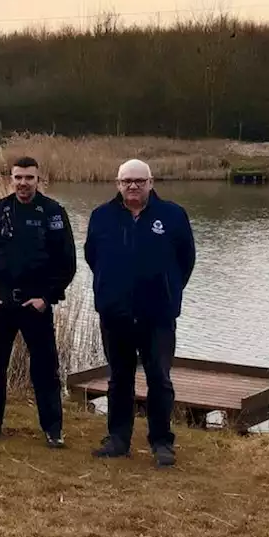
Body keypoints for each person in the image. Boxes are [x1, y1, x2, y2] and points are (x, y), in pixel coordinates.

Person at [85, 159, 195, 467]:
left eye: (139, 181)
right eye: (127, 181)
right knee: (119, 379)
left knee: (159, 379)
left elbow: (186, 260)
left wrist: (167, 289)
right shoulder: (101, 216)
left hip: (157, 315)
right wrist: (113, 289)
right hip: (115, 314)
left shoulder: (173, 215)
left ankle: (162, 442)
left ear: (151, 182)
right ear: (117, 184)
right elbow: (93, 257)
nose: (133, 186)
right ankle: (118, 440)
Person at [0, 156, 76, 448]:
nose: (23, 183)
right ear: (11, 179)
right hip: (0, 306)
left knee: (45, 370)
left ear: (38, 179)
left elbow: (67, 264)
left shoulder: (52, 213)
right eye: (18, 177)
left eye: (29, 178)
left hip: (35, 306)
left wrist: (47, 298)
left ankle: (53, 430)